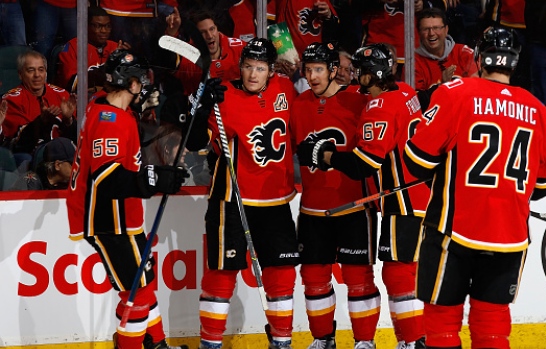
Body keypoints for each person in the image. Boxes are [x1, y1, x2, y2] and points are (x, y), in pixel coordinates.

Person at [402, 27, 546, 349]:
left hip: (453, 230)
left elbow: (416, 160)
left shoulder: (454, 92)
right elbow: (542, 186)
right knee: (492, 325)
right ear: (515, 63)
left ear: (478, 56)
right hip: (510, 238)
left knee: (442, 325)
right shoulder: (538, 109)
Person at [296, 43, 428, 349]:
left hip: (403, 199)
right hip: (419, 193)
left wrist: (324, 155)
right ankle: (413, 339)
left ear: (375, 74)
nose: (357, 77)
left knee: (398, 274)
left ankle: (412, 341)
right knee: (405, 272)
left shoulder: (378, 107)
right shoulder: (406, 92)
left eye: (362, 72)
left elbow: (362, 166)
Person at [65, 49, 189, 349]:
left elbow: (127, 146)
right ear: (131, 84)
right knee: (138, 293)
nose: (144, 86)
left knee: (141, 285)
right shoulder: (111, 121)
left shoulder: (104, 107)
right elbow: (106, 179)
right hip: (109, 220)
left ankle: (155, 343)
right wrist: (155, 179)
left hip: (124, 217)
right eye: (140, 81)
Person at [185, 38, 299, 349]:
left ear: (270, 71)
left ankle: (282, 340)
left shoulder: (285, 89)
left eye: (260, 68)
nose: (252, 74)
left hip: (276, 199)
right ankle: (210, 343)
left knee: (283, 271)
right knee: (221, 272)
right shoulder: (223, 96)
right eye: (248, 66)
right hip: (231, 198)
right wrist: (204, 103)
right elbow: (194, 142)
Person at [290, 41, 380, 349]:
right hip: (313, 209)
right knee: (314, 279)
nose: (312, 76)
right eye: (308, 70)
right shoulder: (298, 103)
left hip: (354, 205)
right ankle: (322, 340)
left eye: (318, 69)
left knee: (359, 279)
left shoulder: (359, 100)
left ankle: (365, 342)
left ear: (333, 70)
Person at [0, 50, 76, 164]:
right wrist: (40, 122)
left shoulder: (62, 95)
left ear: (46, 72)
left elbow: (78, 137)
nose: (37, 75)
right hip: (36, 158)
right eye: (31, 70)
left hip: (65, 153)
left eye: (41, 70)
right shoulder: (11, 100)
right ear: (20, 74)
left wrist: (68, 120)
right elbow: (19, 144)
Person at [162, 7, 246, 95]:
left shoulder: (239, 48)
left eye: (212, 29)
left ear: (217, 29)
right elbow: (170, 61)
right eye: (202, 32)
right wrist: (171, 34)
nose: (209, 36)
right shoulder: (188, 55)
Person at [56, 6, 131, 94]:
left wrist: (130, 59)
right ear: (85, 26)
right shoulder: (73, 47)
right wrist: (109, 65)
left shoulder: (115, 47)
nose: (104, 30)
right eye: (98, 26)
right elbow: (73, 84)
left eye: (107, 26)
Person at [414, 8, 477, 111]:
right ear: (419, 32)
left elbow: (480, 86)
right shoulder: (414, 63)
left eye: (436, 28)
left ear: (446, 30)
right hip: (433, 120)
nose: (431, 33)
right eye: (426, 29)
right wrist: (441, 85)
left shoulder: (463, 53)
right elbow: (415, 103)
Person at [10, 136, 75, 190]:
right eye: (72, 164)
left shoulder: (68, 185)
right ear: (57, 165)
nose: (76, 169)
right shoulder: (31, 183)